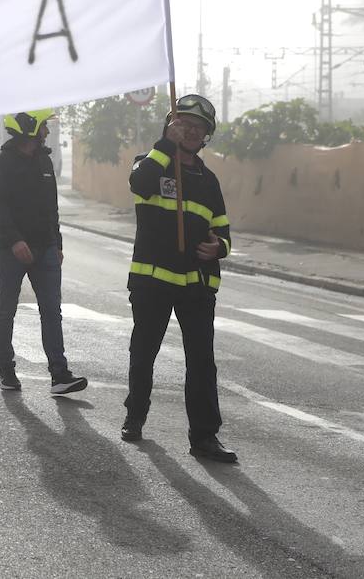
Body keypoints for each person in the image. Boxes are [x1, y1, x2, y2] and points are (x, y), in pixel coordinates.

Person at [123, 93, 237, 464]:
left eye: (198, 128)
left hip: (197, 284)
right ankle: (135, 415)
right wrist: (164, 147)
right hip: (153, 282)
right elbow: (139, 185)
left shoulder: (208, 180)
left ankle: (205, 437)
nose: (190, 131)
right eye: (184, 124)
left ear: (206, 136)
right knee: (144, 353)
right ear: (171, 126)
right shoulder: (151, 163)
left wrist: (219, 247)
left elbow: (223, 230)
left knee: (202, 362)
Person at [0, 109, 87, 395]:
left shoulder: (44, 161)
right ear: (29, 129)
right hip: (11, 250)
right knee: (7, 308)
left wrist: (57, 244)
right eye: (43, 126)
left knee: (52, 311)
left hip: (45, 249)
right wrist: (16, 241)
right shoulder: (0, 163)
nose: (46, 131)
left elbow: (51, 207)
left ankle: (59, 375)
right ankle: (6, 370)